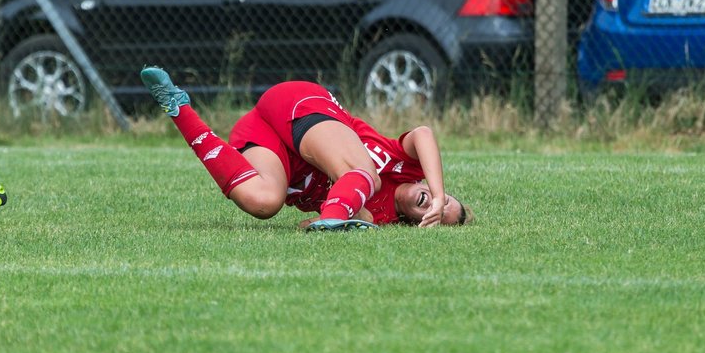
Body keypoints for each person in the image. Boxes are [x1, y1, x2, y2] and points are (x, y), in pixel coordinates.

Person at [139, 66, 470, 231]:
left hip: (266, 137)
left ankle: (178, 108)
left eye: (438, 217)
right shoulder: (407, 166)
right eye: (444, 204)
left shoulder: (383, 219)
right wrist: (439, 194)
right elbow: (424, 133)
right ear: (427, 183)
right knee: (366, 174)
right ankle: (335, 220)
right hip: (299, 105)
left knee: (265, 202)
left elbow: (301, 227)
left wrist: (332, 224)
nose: (435, 208)